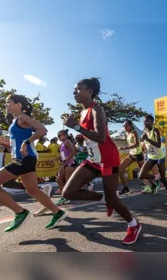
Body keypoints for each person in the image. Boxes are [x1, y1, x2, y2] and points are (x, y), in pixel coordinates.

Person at [62, 77, 141, 245]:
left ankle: (133, 224)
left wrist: (75, 126)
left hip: (108, 158)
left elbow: (101, 137)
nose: (74, 92)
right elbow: (87, 135)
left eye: (78, 89)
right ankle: (104, 198)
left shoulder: (97, 109)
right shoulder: (82, 112)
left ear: (89, 91)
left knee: (114, 198)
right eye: (74, 89)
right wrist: (77, 131)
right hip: (93, 158)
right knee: (68, 192)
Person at [0, 94, 66, 232]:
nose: (5, 105)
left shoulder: (22, 118)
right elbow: (12, 143)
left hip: (24, 159)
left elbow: (42, 130)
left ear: (18, 104)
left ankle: (20, 212)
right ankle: (58, 212)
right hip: (23, 159)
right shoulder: (15, 122)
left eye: (8, 102)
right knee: (32, 190)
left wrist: (27, 142)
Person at [138, 115, 167, 206]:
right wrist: (143, 142)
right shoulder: (144, 132)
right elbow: (145, 146)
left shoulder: (155, 130)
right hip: (151, 157)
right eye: (144, 121)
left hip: (159, 157)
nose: (144, 123)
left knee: (163, 178)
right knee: (141, 175)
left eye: (147, 121)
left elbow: (158, 145)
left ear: (152, 122)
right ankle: (156, 178)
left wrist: (147, 139)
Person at [118, 120, 145, 196]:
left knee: (143, 173)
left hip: (138, 154)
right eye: (124, 126)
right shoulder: (127, 133)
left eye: (126, 125)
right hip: (132, 154)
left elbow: (136, 144)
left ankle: (153, 184)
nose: (124, 127)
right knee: (120, 168)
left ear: (130, 126)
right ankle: (126, 188)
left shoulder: (134, 133)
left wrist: (125, 147)